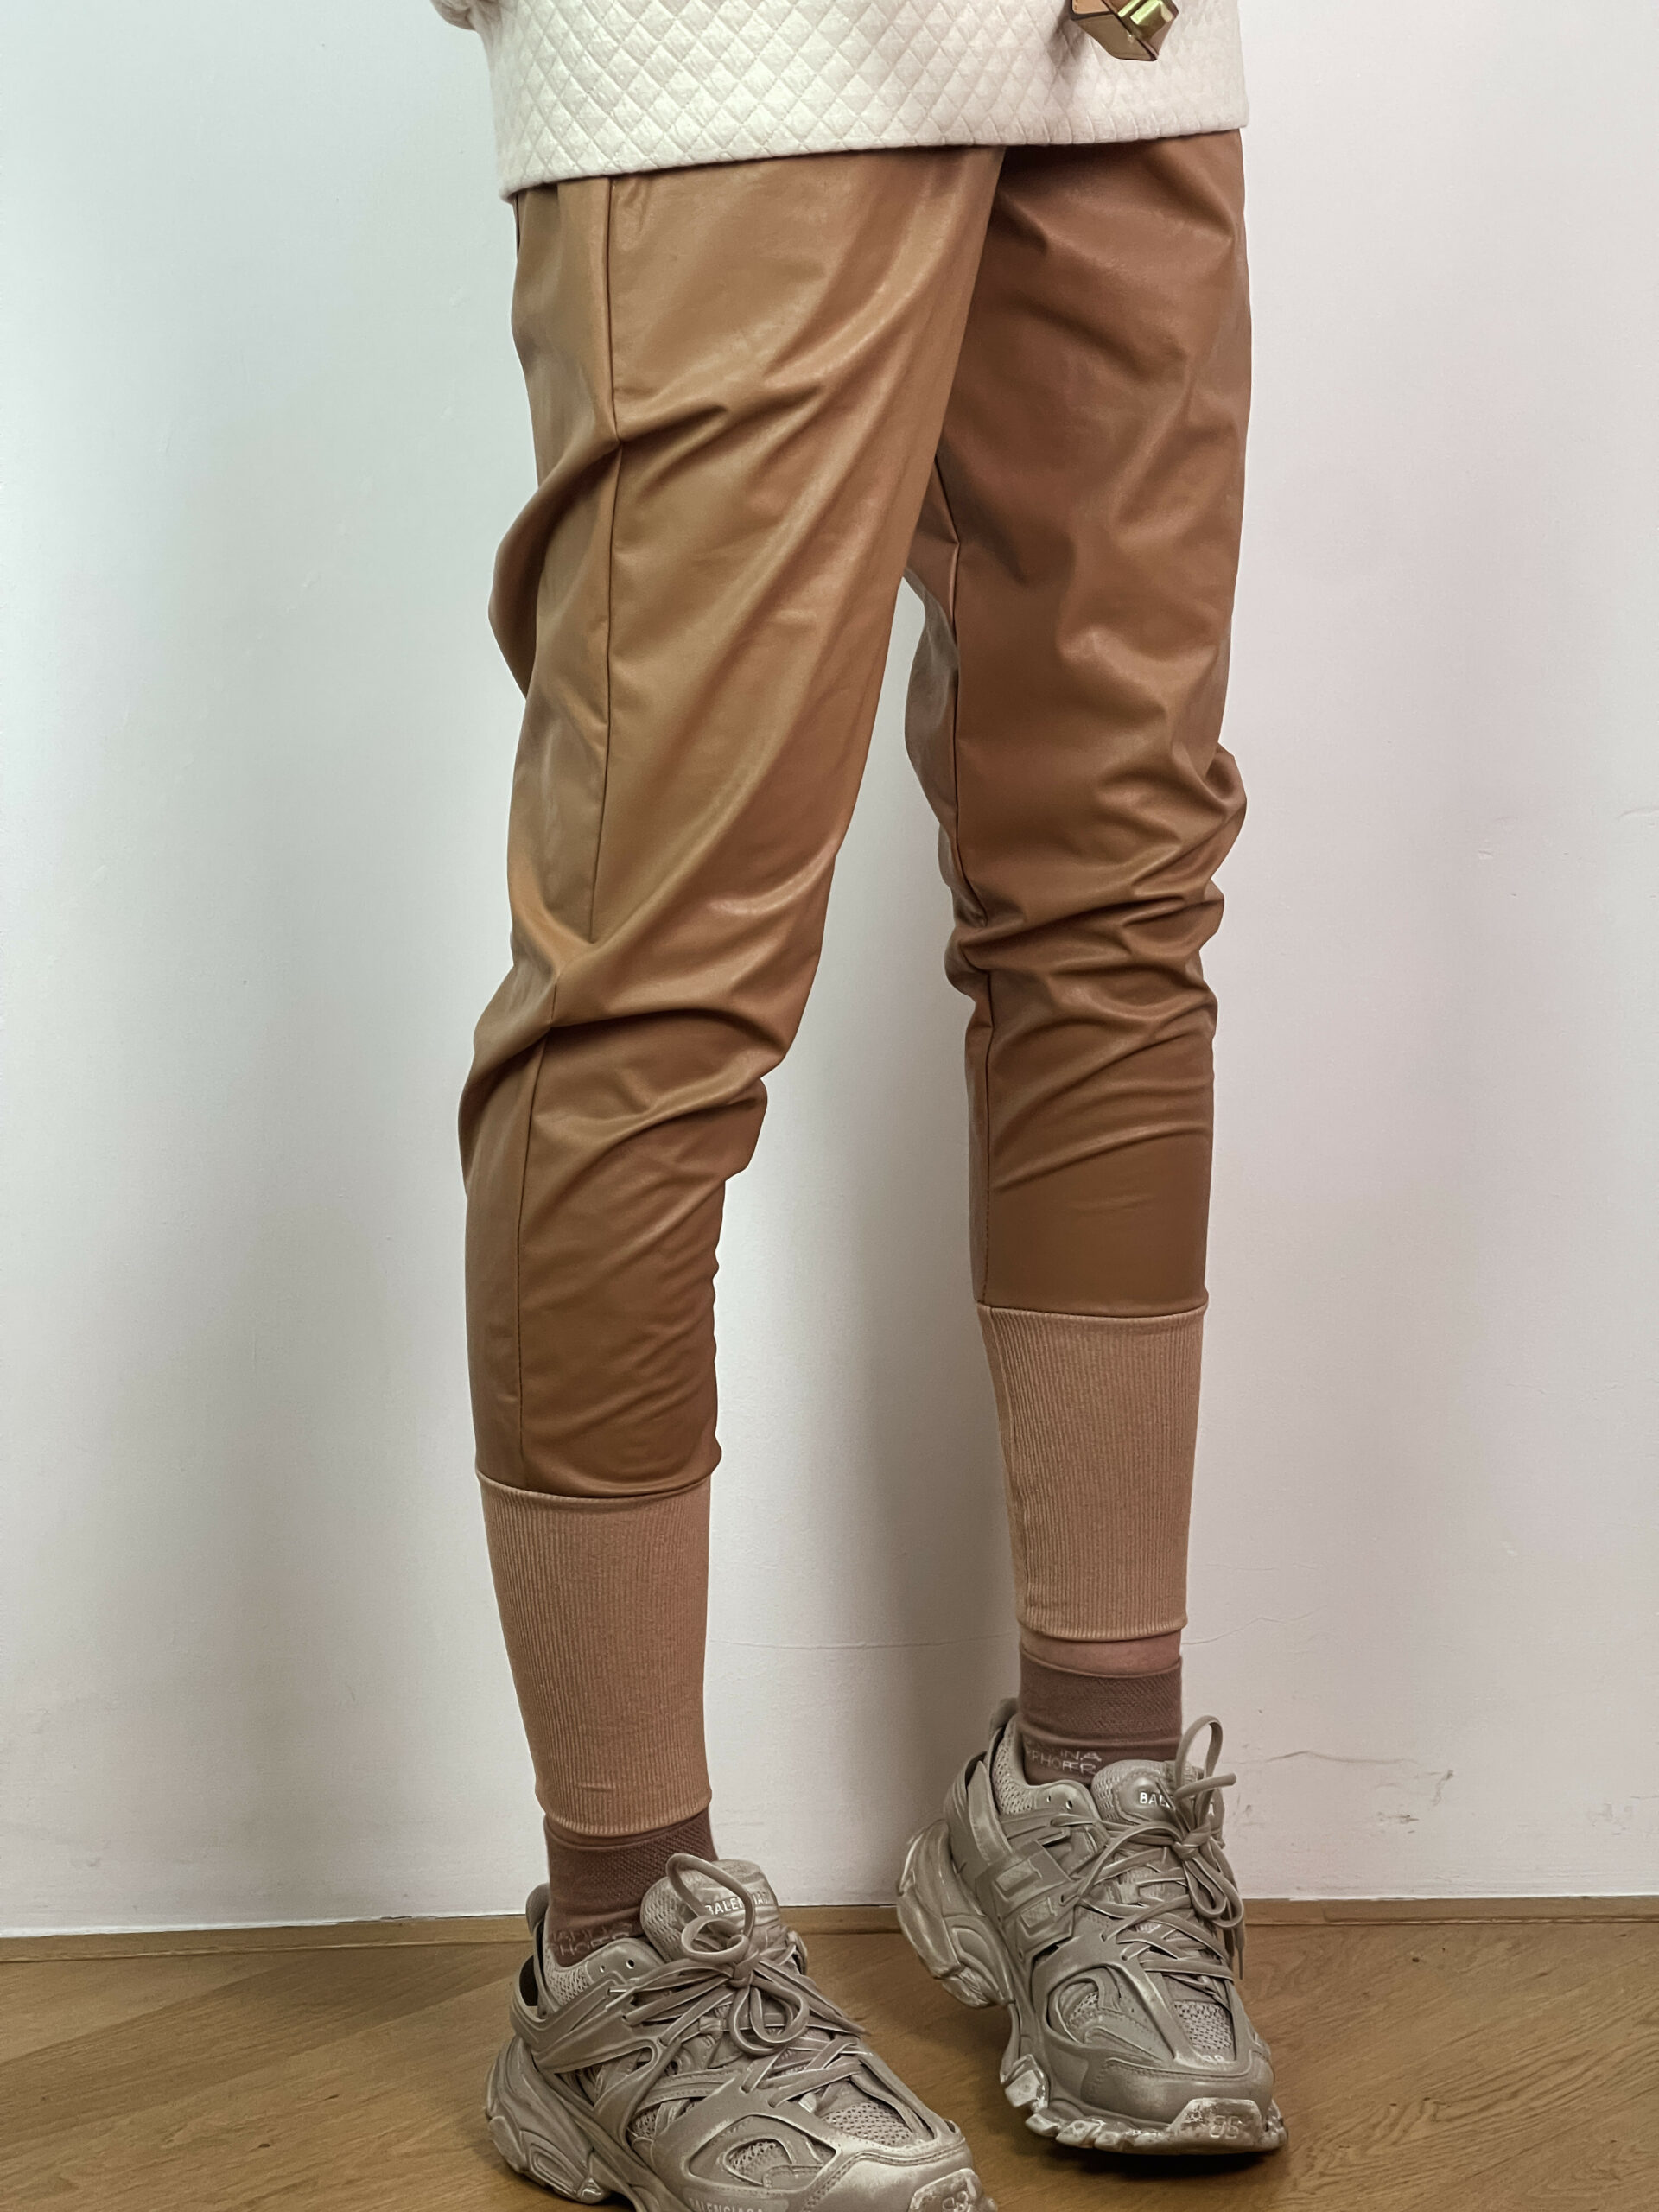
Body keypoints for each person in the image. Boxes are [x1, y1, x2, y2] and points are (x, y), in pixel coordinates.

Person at [434, 0, 1285, 2198]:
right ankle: (621, 1936)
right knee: (653, 982)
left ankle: (1088, 1789)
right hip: (729, 47)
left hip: (1118, 51)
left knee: (1116, 896)